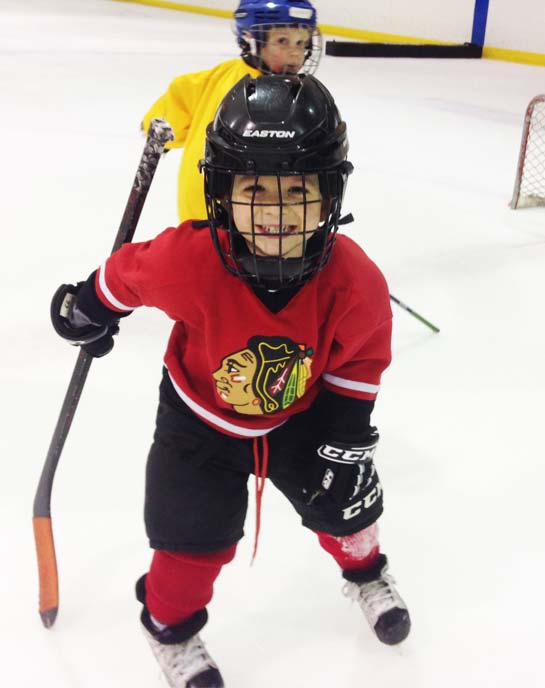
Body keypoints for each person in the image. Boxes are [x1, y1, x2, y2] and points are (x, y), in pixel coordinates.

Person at [51, 74, 411, 688]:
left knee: (347, 505)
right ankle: (170, 628)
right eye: (254, 188)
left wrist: (344, 431)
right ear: (221, 193)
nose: (275, 211)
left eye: (298, 188)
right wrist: (89, 305)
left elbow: (361, 358)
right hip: (198, 426)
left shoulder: (355, 280)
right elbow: (128, 274)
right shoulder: (192, 258)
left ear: (331, 193)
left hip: (300, 417)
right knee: (190, 539)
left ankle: (366, 570)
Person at [141, 0, 322, 222]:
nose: (296, 53)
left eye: (302, 42)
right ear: (251, 40)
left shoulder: (300, 95)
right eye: (282, 41)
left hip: (264, 218)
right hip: (212, 216)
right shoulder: (221, 82)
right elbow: (180, 95)